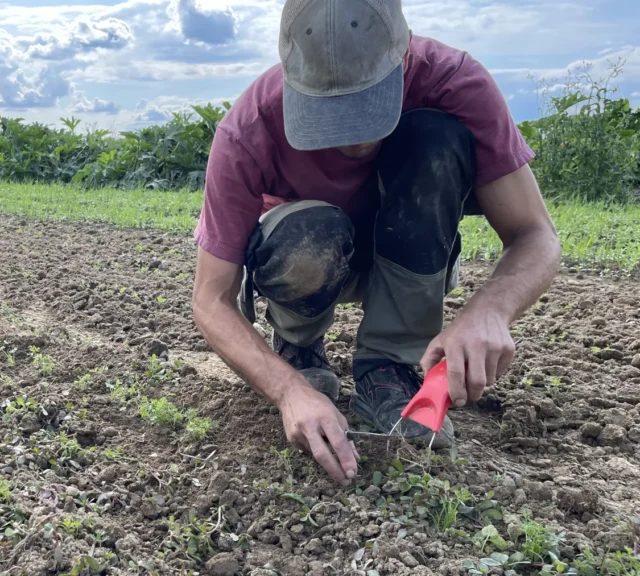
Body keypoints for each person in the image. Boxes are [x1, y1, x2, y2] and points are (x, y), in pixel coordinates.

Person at [190, 0, 561, 486]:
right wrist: (287, 390)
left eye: (368, 107)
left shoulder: (455, 84)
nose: (353, 140)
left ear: (404, 55)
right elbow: (210, 298)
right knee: (309, 231)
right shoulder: (249, 127)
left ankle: (389, 365)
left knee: (435, 138)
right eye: (330, 115)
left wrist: (490, 311)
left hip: (409, 250)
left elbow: (536, 234)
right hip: (312, 258)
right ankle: (298, 348)